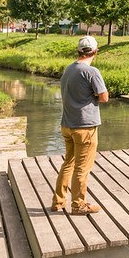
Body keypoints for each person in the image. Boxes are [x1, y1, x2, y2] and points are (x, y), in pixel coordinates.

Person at [51, 35, 109, 215]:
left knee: (68, 163)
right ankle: (78, 205)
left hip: (67, 125)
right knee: (82, 168)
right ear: (95, 52)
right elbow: (104, 97)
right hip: (85, 127)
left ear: (78, 51)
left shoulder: (69, 69)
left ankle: (58, 202)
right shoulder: (92, 72)